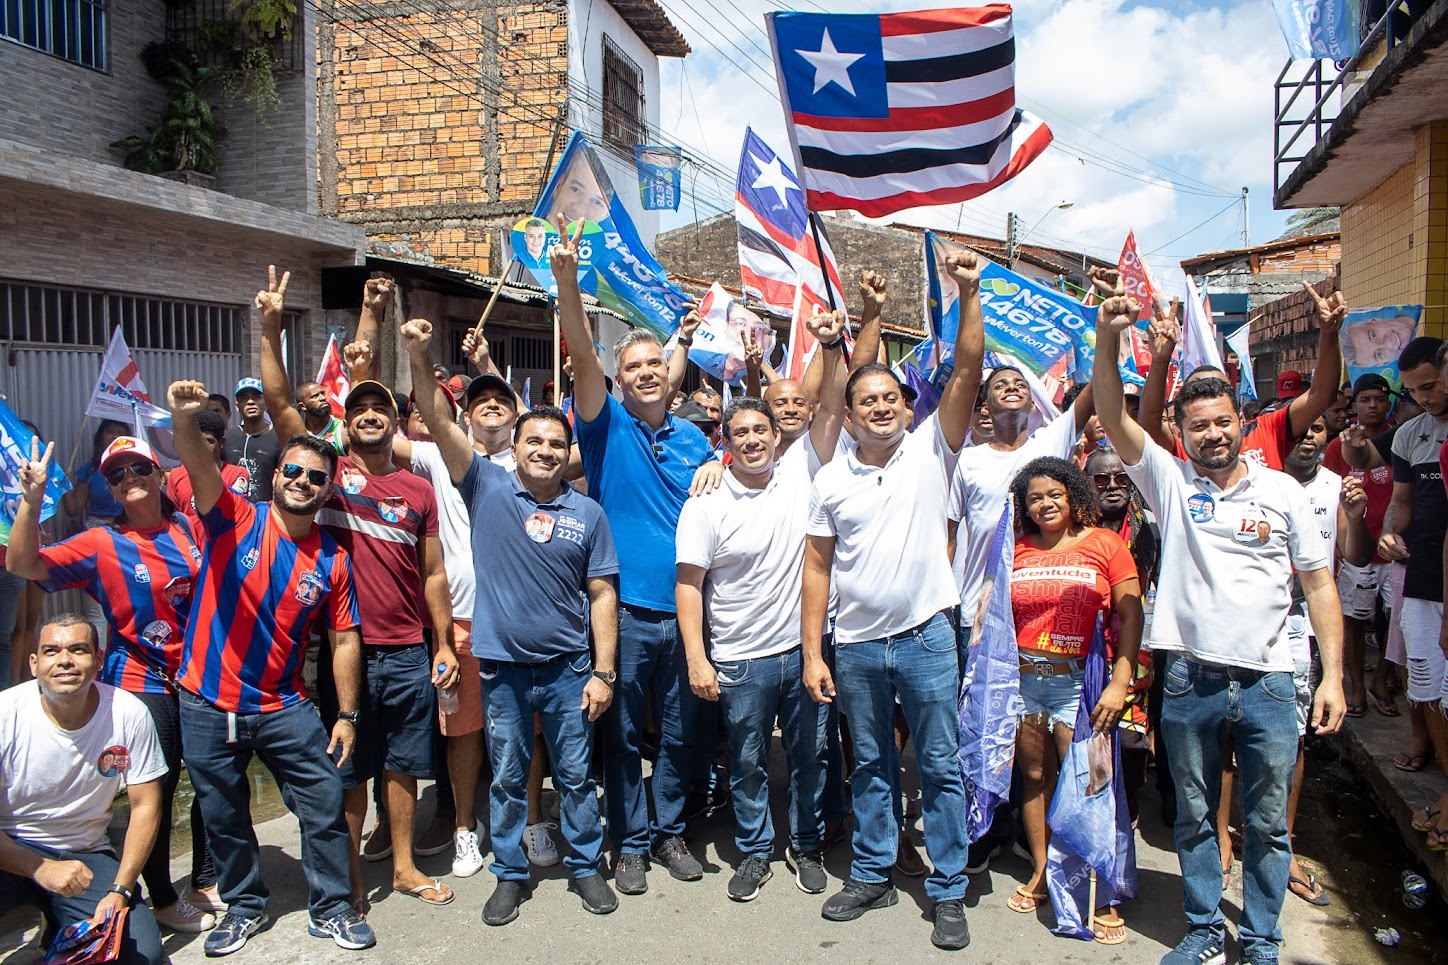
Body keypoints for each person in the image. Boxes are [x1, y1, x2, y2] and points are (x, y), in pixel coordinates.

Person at [1091, 288, 1346, 965]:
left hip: (1268, 683)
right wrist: (1109, 336)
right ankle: (1203, 928)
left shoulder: (1283, 491)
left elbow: (1319, 584)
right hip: (1189, 684)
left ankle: (1262, 937)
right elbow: (1113, 413)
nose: (1212, 434)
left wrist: (1334, 677)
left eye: (1222, 421)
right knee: (1194, 818)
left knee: (1265, 821)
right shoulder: (1169, 484)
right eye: (1197, 424)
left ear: (1241, 420)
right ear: (1181, 430)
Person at [403, 317, 622, 925]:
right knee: (504, 779)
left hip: (567, 670)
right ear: (516, 446)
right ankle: (511, 873)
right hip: (500, 670)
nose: (547, 452)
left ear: (566, 452)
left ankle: (583, 867)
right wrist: (421, 356)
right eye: (536, 442)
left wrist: (603, 670)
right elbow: (439, 418)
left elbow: (602, 593)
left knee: (575, 777)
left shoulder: (588, 514)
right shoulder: (486, 487)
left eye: (557, 444)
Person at [255, 266, 460, 911]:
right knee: (346, 770)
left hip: (406, 652)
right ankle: (345, 880)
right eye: (360, 408)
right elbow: (285, 404)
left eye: (382, 408)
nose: (371, 415)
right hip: (343, 651)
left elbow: (432, 573)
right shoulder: (328, 477)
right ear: (348, 422)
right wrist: (269, 330)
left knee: (402, 766)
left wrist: (443, 643)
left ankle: (400, 866)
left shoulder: (419, 490)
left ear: (396, 420)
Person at [801, 248, 986, 951]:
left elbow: (966, 369)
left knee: (939, 764)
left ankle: (947, 888)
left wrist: (968, 295)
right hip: (855, 649)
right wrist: (814, 650)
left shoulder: (931, 448)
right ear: (848, 415)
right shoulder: (830, 480)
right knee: (870, 764)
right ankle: (873, 870)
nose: (880, 407)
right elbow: (817, 568)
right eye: (866, 400)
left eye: (890, 398)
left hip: (926, 638)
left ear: (908, 407)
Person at [166, 378, 375, 956]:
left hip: (283, 706)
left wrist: (349, 714)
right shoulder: (233, 516)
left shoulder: (332, 559)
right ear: (276, 474)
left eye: (315, 476)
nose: (303, 482)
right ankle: (245, 906)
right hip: (205, 700)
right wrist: (185, 417)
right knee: (223, 814)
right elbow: (196, 463)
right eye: (294, 472)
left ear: (329, 489)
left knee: (324, 803)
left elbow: (343, 639)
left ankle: (332, 907)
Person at [550, 219, 720, 895]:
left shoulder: (695, 441)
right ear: (618, 381)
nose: (646, 373)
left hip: (686, 615)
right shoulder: (605, 426)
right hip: (619, 613)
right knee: (619, 737)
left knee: (682, 734)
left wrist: (716, 472)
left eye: (656, 365)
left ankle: (673, 829)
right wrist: (568, 281)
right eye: (634, 367)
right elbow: (584, 358)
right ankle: (631, 842)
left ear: (671, 379)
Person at [9, 433, 220, 933]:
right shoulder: (102, 542)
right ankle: (161, 897)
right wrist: (32, 499)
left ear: (160, 474)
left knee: (213, 778)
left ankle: (205, 877)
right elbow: (23, 563)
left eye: (138, 469)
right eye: (116, 475)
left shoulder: (190, 528)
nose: (129, 480)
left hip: (200, 677)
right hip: (141, 679)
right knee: (159, 790)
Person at [676, 310, 849, 904]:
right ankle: (754, 852)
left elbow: (826, 406)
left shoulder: (800, 474)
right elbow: (690, 586)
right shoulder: (705, 501)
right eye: (739, 434)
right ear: (724, 444)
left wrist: (828, 344)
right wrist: (699, 659)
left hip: (803, 652)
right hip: (740, 660)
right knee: (747, 763)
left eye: (761, 431)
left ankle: (806, 845)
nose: (752, 440)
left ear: (778, 436)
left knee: (811, 755)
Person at [1004, 456, 1141, 942]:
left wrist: (1121, 678)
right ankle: (1044, 873)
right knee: (1036, 779)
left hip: (1083, 683)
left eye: (1054, 494)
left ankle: (1101, 891)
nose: (1044, 504)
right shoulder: (1014, 548)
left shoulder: (1104, 544)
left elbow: (1130, 615)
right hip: (1025, 684)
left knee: (1093, 787)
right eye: (1034, 497)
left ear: (1074, 496)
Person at [0, 614, 167, 965]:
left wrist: (119, 890)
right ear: (34, 663)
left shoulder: (129, 713)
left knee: (142, 957)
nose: (65, 660)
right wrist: (39, 867)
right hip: (9, 849)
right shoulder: (5, 714)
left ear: (99, 659)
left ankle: (59, 923)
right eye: (51, 651)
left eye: (78, 649)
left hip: (85, 853)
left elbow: (145, 806)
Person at [1339, 338, 1448, 796]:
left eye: (1431, 386)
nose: (1425, 397)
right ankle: (1434, 760)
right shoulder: (1412, 433)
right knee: (1423, 675)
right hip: (1420, 570)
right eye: (1416, 391)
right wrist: (1387, 533)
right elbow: (1399, 499)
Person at [1279, 418, 1374, 907]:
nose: (1308, 437)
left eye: (1317, 428)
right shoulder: (1256, 480)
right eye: (1298, 429)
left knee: (1292, 737)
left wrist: (1356, 518)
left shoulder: (1337, 486)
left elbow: (1355, 558)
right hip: (1251, 626)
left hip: (1302, 629)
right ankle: (1228, 838)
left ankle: (1283, 844)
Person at [1137, 282, 1347, 470]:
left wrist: (1328, 333)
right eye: (1198, 393)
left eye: (1219, 389)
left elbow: (1320, 396)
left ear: (1237, 411)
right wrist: (1160, 361)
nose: (1214, 434)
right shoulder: (1183, 446)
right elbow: (1150, 424)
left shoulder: (1268, 429)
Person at [1084, 447, 1161, 824]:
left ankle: (1126, 808)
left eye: (1121, 479)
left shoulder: (1150, 529)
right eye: (1101, 480)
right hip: (1082, 646)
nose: (1112, 487)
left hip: (1135, 648)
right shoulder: (1073, 526)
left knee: (1131, 741)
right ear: (1087, 483)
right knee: (1087, 733)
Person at [1322, 373, 1398, 717]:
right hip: (1355, 547)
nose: (1372, 406)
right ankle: (1355, 686)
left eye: (1379, 400)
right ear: (1355, 405)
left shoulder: (1401, 439)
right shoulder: (1341, 446)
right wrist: (1338, 542)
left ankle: (1381, 678)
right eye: (1365, 400)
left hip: (1395, 548)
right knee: (1352, 619)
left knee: (1395, 620)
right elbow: (1331, 495)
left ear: (1388, 402)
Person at [166, 410, 251, 526]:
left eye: (209, 441)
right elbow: (173, 519)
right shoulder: (176, 476)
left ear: (221, 442)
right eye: (198, 441)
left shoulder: (237, 475)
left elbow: (232, 512)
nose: (203, 447)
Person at [224, 377, 281, 502]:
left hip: (266, 514)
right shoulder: (226, 438)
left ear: (265, 402)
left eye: (256, 397)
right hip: (231, 512)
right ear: (237, 406)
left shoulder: (279, 438)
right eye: (244, 398)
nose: (250, 402)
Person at [295, 381, 346, 450]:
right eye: (315, 396)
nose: (322, 398)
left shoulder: (342, 430)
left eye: (323, 393)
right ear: (303, 406)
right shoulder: (299, 434)